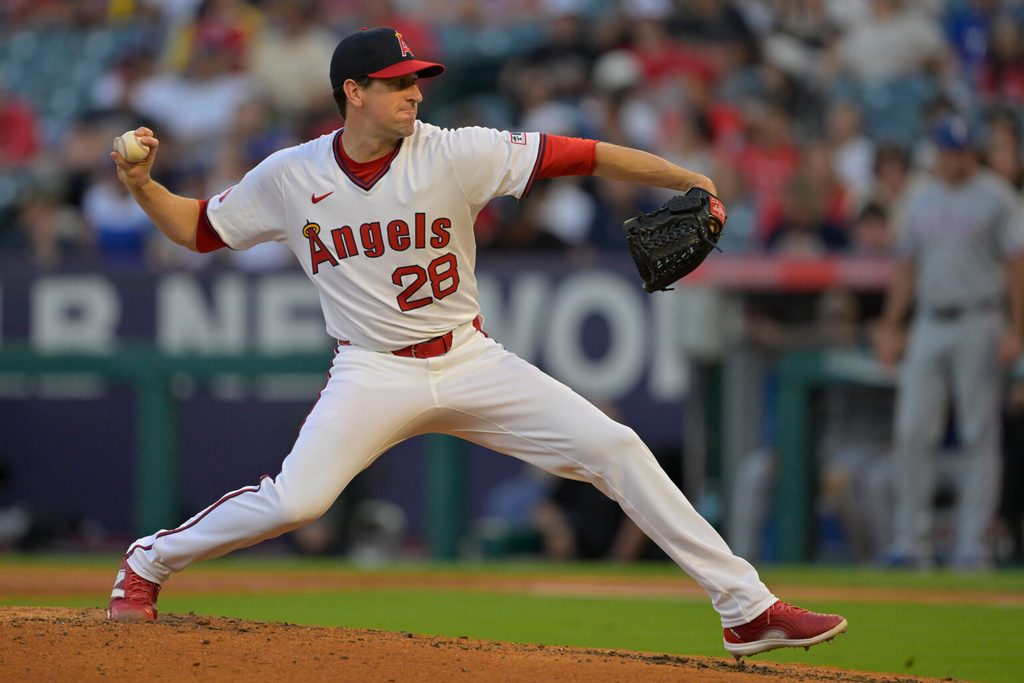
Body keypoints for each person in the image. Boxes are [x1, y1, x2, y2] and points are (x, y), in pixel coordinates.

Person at [105, 27, 846, 658]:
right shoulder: (291, 175)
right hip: (371, 371)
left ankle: (746, 609)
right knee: (296, 502)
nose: (414, 94)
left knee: (616, 447)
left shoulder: (456, 151)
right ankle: (148, 561)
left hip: (469, 358)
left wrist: (687, 175)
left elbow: (581, 154)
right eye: (397, 83)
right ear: (353, 92)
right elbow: (196, 228)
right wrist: (142, 186)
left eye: (417, 81)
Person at [873, 114, 1024, 570]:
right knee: (912, 430)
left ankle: (972, 545)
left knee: (979, 433)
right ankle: (911, 541)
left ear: (971, 151)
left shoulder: (997, 196)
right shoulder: (922, 197)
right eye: (947, 150)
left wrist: (1017, 330)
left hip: (980, 317)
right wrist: (891, 325)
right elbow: (906, 268)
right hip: (929, 320)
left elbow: (1016, 267)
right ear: (937, 151)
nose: (954, 159)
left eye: (960, 150)